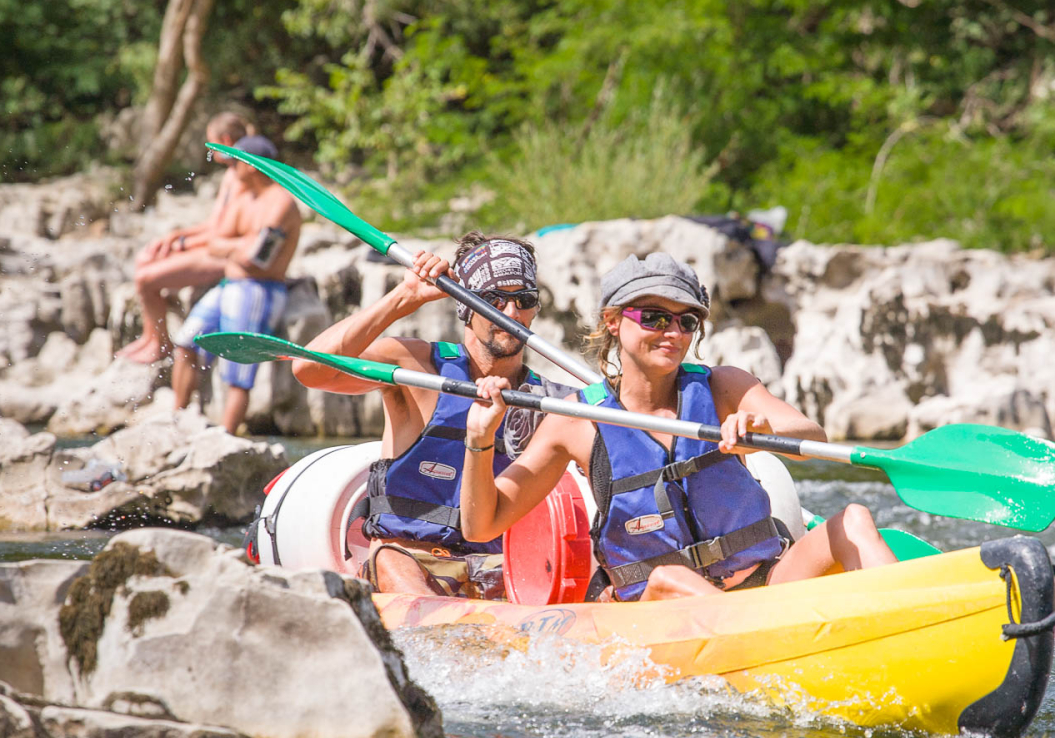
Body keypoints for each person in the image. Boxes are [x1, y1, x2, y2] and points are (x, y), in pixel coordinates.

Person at [458, 252, 897, 602]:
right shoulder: (575, 420)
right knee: (671, 578)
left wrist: (763, 430)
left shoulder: (724, 386)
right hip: (663, 610)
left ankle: (920, 622)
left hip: (766, 587)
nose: (672, 332)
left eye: (686, 321)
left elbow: (812, 436)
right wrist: (479, 441)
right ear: (613, 321)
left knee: (854, 519)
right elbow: (482, 526)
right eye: (654, 317)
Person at [292, 232, 565, 598]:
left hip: (501, 568)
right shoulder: (418, 368)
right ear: (467, 306)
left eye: (524, 299)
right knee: (396, 564)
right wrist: (403, 298)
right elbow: (310, 369)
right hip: (410, 557)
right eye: (494, 299)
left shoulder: (553, 404)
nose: (512, 313)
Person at [169, 134, 303, 435]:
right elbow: (215, 244)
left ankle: (227, 437)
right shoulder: (243, 197)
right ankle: (175, 421)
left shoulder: (280, 202)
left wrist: (232, 246)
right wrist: (241, 245)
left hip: (259, 290)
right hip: (229, 285)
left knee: (239, 368)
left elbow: (260, 258)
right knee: (185, 341)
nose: (231, 166)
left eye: (238, 160)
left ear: (253, 166)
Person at [118, 111, 252, 364]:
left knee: (146, 278)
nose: (209, 152)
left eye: (211, 143)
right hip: (214, 247)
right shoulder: (231, 175)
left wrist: (183, 244)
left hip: (227, 257)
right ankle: (150, 336)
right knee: (145, 258)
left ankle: (160, 344)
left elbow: (224, 234)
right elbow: (215, 223)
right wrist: (176, 237)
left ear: (224, 139)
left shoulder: (245, 178)